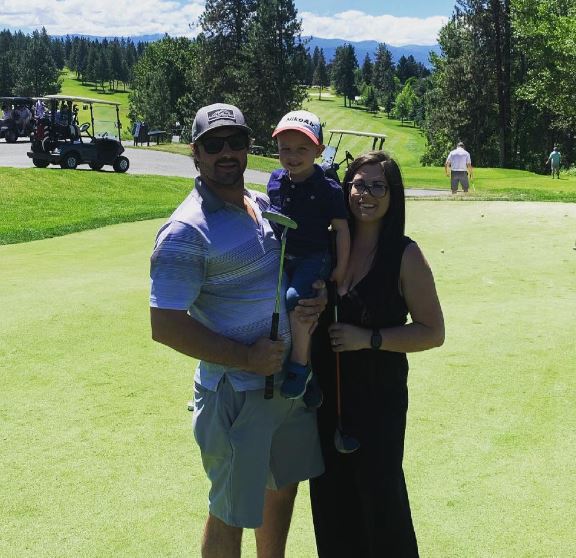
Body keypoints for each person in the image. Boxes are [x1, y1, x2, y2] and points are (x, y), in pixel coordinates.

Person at [149, 103, 326, 558]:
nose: (226, 153)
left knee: (281, 487)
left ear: (249, 147)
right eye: (214, 144)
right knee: (231, 510)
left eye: (236, 142)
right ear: (196, 154)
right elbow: (165, 324)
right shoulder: (185, 230)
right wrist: (244, 357)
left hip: (286, 383)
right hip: (236, 394)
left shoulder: (260, 203)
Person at [309, 151, 445, 557]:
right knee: (331, 505)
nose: (363, 193)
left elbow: (432, 332)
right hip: (324, 401)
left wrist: (367, 339)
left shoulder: (405, 256)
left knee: (381, 506)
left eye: (376, 185)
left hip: (377, 402)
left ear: (392, 195)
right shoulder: (329, 246)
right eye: (356, 183)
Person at [267, 110, 350, 403]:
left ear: (318, 150)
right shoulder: (276, 180)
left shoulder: (328, 188)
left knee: (295, 300)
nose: (292, 156)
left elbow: (340, 230)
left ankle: (299, 369)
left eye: (302, 149)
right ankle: (310, 371)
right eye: (285, 148)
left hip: (314, 257)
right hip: (283, 256)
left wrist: (340, 268)